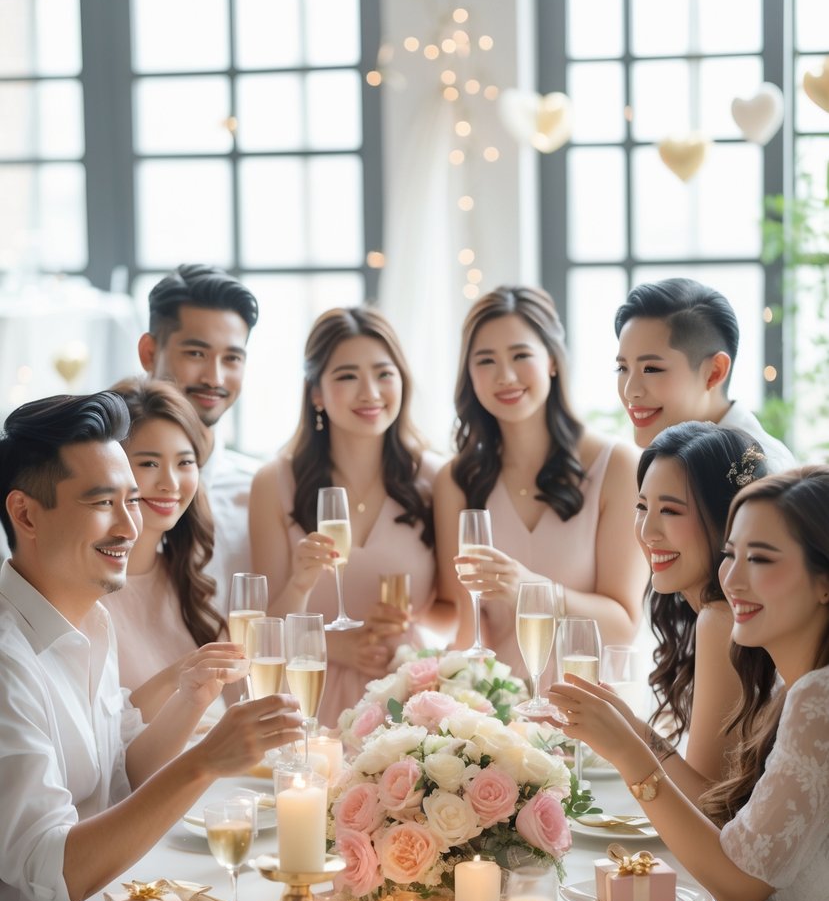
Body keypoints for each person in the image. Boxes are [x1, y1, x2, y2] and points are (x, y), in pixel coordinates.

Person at [549, 467, 829, 901]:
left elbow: (737, 883)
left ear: (824, 582)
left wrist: (628, 754)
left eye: (761, 559)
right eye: (731, 553)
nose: (732, 579)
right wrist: (633, 736)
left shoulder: (817, 697)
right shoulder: (802, 685)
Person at [0, 392, 301, 901]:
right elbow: (59, 873)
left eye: (130, 500)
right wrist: (205, 761)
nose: (129, 524)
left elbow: (118, 776)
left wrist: (191, 698)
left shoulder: (91, 617)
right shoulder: (9, 660)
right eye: (102, 503)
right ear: (26, 514)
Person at [433, 285, 647, 681]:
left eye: (520, 355)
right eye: (486, 361)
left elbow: (622, 627)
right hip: (496, 723)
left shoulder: (616, 467)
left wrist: (529, 587)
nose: (506, 376)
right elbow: (467, 631)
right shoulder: (456, 481)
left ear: (551, 360)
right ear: (470, 375)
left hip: (587, 714)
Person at [250, 306, 443, 728]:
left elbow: (453, 607)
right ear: (316, 392)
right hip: (308, 695)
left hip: (406, 698)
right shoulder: (274, 482)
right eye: (347, 376)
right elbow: (262, 632)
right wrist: (335, 642)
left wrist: (406, 624)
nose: (370, 391)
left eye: (383, 373)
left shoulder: (436, 480)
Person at [612, 421, 769, 785]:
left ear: (726, 521)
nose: (647, 532)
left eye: (670, 511)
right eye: (641, 506)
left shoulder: (722, 617)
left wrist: (628, 735)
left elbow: (709, 807)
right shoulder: (711, 609)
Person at [137, 264, 259, 615]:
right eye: (196, 354)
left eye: (232, 358)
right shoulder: (106, 485)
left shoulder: (257, 494)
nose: (214, 377)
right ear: (149, 353)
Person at [99, 378, 226, 710]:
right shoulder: (86, 594)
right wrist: (178, 677)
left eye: (185, 463)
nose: (170, 483)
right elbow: (103, 736)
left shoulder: (185, 577)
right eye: (149, 464)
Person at [614, 276, 796, 471]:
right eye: (622, 368)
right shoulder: (669, 456)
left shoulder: (758, 472)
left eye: (651, 369)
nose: (630, 391)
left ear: (714, 372)